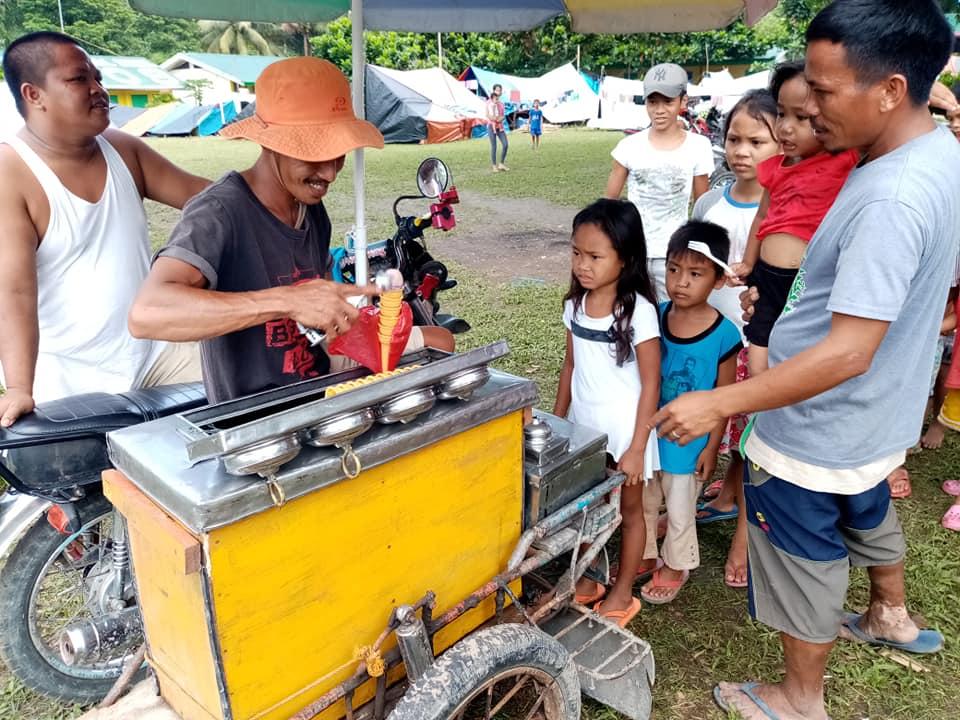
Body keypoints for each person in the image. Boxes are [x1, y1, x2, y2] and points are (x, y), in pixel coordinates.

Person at [651, 2, 960, 719]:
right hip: (877, 417)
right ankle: (889, 613)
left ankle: (797, 697)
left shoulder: (891, 195)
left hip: (818, 420)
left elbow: (849, 351)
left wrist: (720, 402)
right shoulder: (936, 151)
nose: (809, 111)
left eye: (823, 92)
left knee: (804, 550)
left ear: (889, 89)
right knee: (867, 505)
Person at [129, 58, 450, 405]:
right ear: (270, 143)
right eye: (313, 154)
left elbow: (319, 313)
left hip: (320, 379)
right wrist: (286, 301)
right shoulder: (219, 212)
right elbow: (147, 313)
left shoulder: (311, 210)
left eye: (339, 153)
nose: (329, 173)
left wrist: (351, 312)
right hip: (260, 413)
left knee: (440, 341)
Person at [0, 31, 209, 428]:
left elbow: (206, 201)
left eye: (98, 77)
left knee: (241, 394)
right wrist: (18, 388)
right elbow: (13, 292)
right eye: (80, 79)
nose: (99, 90)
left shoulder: (122, 149)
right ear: (33, 94)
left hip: (156, 355)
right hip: (71, 380)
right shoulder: (10, 173)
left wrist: (272, 187)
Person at [553, 198, 660, 628]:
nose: (582, 264)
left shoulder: (638, 312)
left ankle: (623, 591)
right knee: (584, 507)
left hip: (626, 432)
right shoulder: (574, 306)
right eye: (577, 252)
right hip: (583, 430)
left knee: (629, 513)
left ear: (626, 258)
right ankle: (590, 576)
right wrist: (557, 421)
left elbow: (651, 382)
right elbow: (570, 366)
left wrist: (637, 446)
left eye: (595, 256)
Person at [691, 90, 781, 589]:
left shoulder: (781, 211)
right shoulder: (710, 201)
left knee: (751, 442)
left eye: (756, 140)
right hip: (711, 341)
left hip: (758, 347)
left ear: (781, 142)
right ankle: (725, 497)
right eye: (733, 139)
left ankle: (745, 539)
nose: (741, 151)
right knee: (722, 433)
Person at [732, 61, 859, 377]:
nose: (785, 127)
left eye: (801, 117)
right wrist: (748, 262)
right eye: (781, 113)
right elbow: (763, 215)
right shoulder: (777, 167)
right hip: (765, 277)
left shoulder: (843, 159)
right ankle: (759, 408)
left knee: (796, 356)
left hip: (804, 281)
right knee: (759, 352)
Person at [640, 221, 741, 604]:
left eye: (695, 274)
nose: (680, 282)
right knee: (646, 499)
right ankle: (646, 553)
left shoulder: (725, 334)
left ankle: (676, 564)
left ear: (717, 280)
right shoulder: (655, 316)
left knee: (681, 507)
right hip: (650, 437)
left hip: (690, 442)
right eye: (673, 269)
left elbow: (725, 396)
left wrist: (711, 448)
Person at [605, 63, 714, 302]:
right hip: (634, 252)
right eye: (652, 102)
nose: (659, 110)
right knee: (632, 317)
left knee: (670, 319)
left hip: (675, 255)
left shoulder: (699, 146)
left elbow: (701, 207)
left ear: (683, 102)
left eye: (668, 102)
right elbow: (607, 206)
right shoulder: (628, 147)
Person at [486, 83, 508, 172]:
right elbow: (487, 114)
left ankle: (501, 164)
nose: (498, 92)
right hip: (491, 126)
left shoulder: (502, 104)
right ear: (494, 91)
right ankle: (494, 165)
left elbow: (503, 115)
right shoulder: (489, 102)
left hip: (500, 127)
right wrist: (494, 119)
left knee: (505, 144)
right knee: (494, 146)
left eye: (500, 90)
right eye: (497, 90)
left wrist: (500, 119)